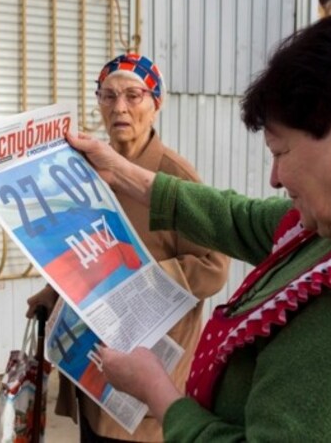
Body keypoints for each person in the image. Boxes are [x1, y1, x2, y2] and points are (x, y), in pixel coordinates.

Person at [67, 11, 331, 442]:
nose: (275, 178)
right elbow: (241, 219)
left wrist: (158, 392)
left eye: (280, 151)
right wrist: (123, 174)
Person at [26, 53, 230, 442]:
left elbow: (214, 266)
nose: (120, 108)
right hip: (91, 358)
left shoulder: (176, 177)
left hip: (150, 362)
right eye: (108, 96)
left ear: (157, 102)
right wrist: (52, 292)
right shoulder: (84, 170)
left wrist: (140, 280)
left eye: (133, 96)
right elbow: (79, 251)